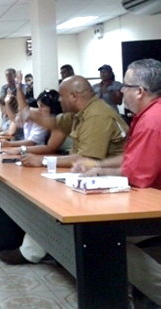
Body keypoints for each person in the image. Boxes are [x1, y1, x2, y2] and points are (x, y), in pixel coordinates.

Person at [0, 75, 129, 266]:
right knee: (45, 192)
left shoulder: (97, 116)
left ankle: (31, 252)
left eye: (62, 96)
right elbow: (53, 123)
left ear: (74, 96)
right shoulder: (82, 112)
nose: (59, 100)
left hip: (110, 180)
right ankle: (34, 249)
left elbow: (87, 159)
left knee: (52, 197)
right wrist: (27, 112)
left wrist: (42, 161)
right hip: (92, 176)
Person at [72, 58, 161, 308]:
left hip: (153, 207)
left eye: (126, 86)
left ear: (140, 91)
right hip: (151, 200)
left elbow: (136, 175)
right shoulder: (149, 114)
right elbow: (134, 158)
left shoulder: (153, 122)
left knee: (105, 239)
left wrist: (99, 171)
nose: (121, 90)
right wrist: (99, 166)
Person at [3, 80, 72, 156]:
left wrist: (22, 149)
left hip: (66, 156)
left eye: (42, 106)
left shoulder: (61, 121)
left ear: (52, 108)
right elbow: (25, 112)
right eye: (38, 106)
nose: (39, 110)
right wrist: (18, 89)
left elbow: (50, 148)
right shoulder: (44, 116)